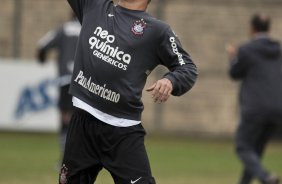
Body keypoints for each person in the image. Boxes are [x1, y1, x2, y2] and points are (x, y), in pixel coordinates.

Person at [59, 0, 198, 183]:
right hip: (82, 125)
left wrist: (170, 80)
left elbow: (188, 68)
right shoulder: (94, 6)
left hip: (123, 133)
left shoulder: (158, 31)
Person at [227, 13, 282, 184]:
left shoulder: (246, 50)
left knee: (242, 146)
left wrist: (232, 57)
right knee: (255, 151)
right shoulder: (278, 50)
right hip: (277, 107)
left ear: (252, 28)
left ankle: (266, 177)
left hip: (255, 107)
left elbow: (235, 73)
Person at [37, 12, 81, 159]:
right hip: (83, 83)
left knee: (65, 119)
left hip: (65, 81)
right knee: (81, 120)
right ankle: (78, 157)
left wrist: (41, 58)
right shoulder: (90, 30)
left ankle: (66, 159)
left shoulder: (63, 29)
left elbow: (42, 44)